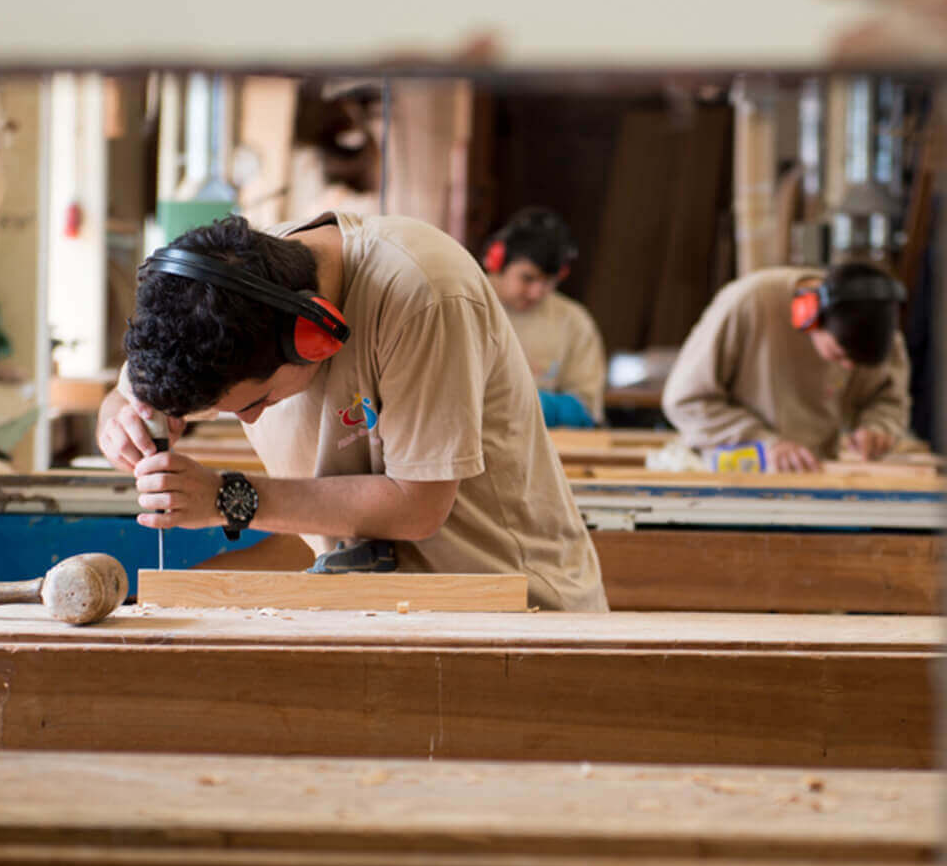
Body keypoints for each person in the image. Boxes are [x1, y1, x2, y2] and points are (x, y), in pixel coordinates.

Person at [96, 212, 607, 612]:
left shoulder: (424, 295)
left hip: (512, 605)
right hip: (378, 602)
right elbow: (124, 394)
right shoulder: (219, 292)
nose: (250, 422)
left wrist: (228, 499)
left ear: (315, 338)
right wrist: (121, 418)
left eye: (257, 403)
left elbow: (417, 505)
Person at [661, 261, 912, 474]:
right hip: (734, 478)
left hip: (816, 476)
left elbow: (887, 398)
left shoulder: (877, 326)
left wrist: (877, 428)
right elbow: (685, 401)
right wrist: (766, 443)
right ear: (810, 316)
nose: (848, 367)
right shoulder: (751, 302)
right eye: (839, 355)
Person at [481, 208, 606, 427]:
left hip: (541, 446)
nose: (537, 292)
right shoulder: (463, 306)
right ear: (497, 261)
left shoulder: (574, 322)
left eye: (549, 282)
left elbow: (587, 406)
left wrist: (537, 405)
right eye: (527, 278)